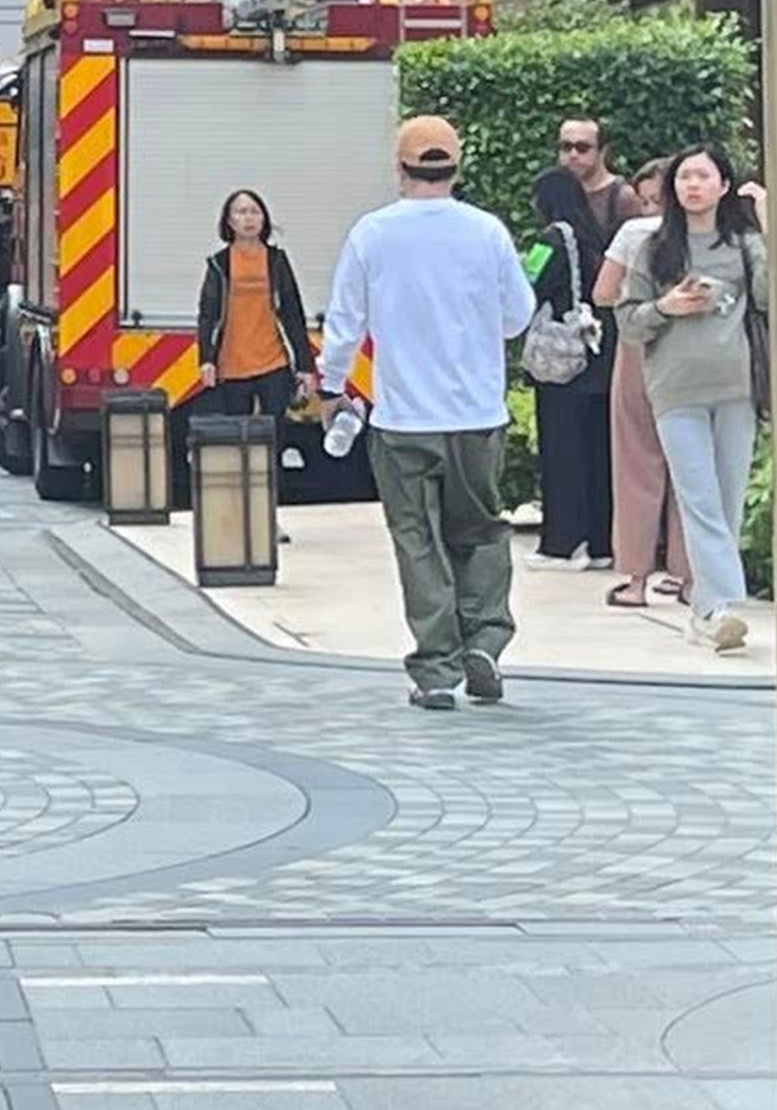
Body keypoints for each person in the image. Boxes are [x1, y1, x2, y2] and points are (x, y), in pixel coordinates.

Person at [317, 115, 536, 713]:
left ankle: (436, 668)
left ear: (399, 166)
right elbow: (518, 316)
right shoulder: (486, 231)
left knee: (417, 539)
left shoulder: (372, 233)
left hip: (402, 418)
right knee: (482, 529)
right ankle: (486, 640)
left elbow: (343, 325)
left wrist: (332, 387)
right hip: (477, 414)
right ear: (456, 166)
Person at [626, 141, 771, 654]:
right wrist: (666, 305)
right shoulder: (654, 248)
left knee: (727, 497)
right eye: (685, 177)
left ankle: (708, 610)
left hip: (735, 386)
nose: (693, 185)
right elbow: (629, 319)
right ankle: (722, 604)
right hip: (676, 388)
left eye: (703, 176)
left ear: (724, 185)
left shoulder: (745, 245)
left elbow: (774, 297)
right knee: (699, 497)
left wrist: (769, 227)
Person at [526, 117, 626, 565]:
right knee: (600, 456)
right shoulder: (594, 238)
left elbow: (527, 287)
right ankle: (603, 543)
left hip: (562, 367)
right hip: (600, 360)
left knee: (562, 455)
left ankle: (562, 543)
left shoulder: (552, 238)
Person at [594, 165, 693, 612]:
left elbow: (603, 291)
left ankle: (634, 578)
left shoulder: (634, 232)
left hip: (639, 349)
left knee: (637, 461)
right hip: (693, 352)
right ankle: (688, 574)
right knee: (692, 464)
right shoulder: (705, 233)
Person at [193, 189, 313, 444]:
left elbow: (293, 312)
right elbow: (207, 315)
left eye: (255, 212)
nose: (249, 218)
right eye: (241, 212)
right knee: (239, 437)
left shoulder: (276, 260)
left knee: (274, 436)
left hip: (273, 362)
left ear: (264, 219)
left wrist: (305, 366)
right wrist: (206, 359)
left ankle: (273, 483)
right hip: (232, 364)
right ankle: (243, 485)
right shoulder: (219, 263)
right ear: (229, 221)